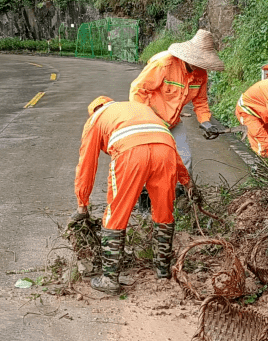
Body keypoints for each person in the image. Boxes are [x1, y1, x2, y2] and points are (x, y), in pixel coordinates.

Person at [71, 96, 192, 294]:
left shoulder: (96, 119)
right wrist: (187, 182)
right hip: (165, 151)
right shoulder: (138, 109)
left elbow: (87, 165)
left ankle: (110, 279)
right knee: (164, 212)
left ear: (94, 109)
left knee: (116, 213)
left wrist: (82, 204)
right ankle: (162, 271)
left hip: (131, 152)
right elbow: (167, 145)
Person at [129, 29, 226, 174]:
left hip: (173, 122)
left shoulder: (201, 74)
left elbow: (201, 101)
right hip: (151, 120)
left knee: (184, 158)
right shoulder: (163, 64)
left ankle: (184, 190)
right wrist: (143, 119)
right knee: (149, 159)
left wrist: (205, 121)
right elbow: (138, 89)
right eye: (196, 61)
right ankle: (145, 192)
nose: (198, 65)